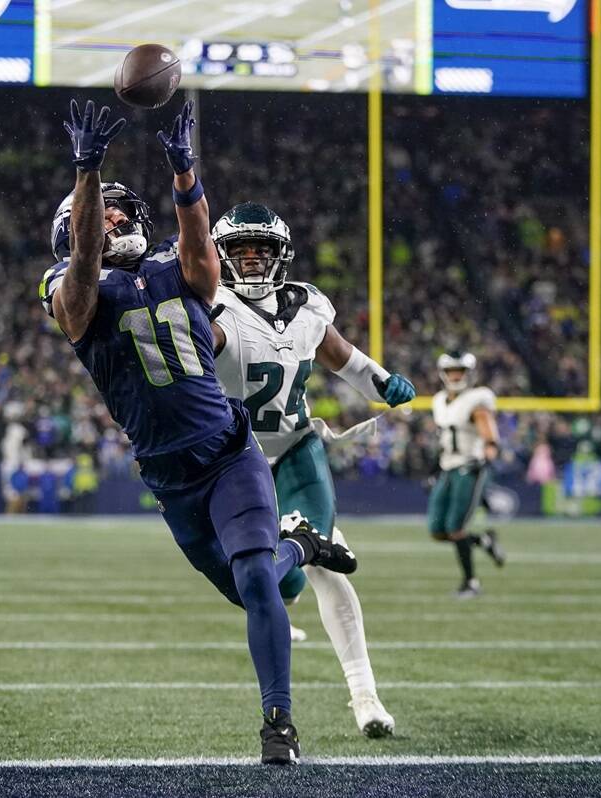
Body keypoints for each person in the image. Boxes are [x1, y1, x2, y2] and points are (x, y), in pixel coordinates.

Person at [39, 101, 357, 765]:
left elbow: (199, 251)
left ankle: (279, 726)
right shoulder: (68, 291)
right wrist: (87, 169)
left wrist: (185, 173)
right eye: (105, 214)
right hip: (169, 475)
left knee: (254, 585)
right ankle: (299, 545)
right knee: (255, 582)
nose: (118, 219)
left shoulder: (173, 269)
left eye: (126, 211)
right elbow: (84, 270)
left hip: (229, 452)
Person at [208, 202, 415, 738]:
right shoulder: (208, 307)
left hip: (298, 447)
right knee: (283, 576)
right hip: (237, 459)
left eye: (262, 250)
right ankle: (289, 577)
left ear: (282, 256)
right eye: (240, 251)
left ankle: (365, 697)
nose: (252, 261)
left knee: (323, 559)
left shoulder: (305, 307)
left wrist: (382, 382)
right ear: (220, 257)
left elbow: (341, 356)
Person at [429, 352, 506, 598]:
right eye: (452, 370)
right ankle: (484, 540)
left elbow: (489, 435)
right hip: (447, 467)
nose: (456, 375)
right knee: (437, 529)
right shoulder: (440, 400)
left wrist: (489, 452)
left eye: (460, 371)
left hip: (468, 467)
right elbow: (443, 438)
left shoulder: (477, 400)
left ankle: (471, 583)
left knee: (456, 528)